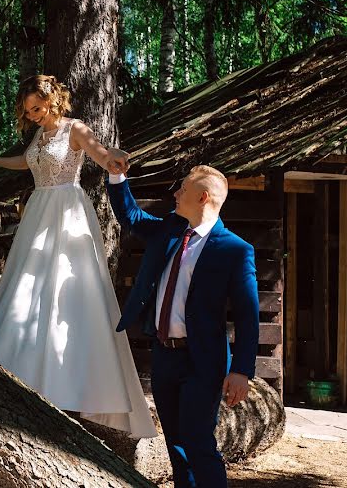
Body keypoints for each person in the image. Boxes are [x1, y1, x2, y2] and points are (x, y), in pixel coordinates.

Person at [0, 74, 157, 439]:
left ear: (54, 100)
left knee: (68, 294)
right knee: (27, 291)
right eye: (28, 111)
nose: (32, 116)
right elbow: (27, 164)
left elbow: (100, 152)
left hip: (66, 212)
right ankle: (21, 376)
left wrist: (114, 159)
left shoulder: (75, 128)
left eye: (38, 108)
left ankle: (70, 386)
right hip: (37, 214)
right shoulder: (39, 134)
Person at [106, 165, 259, 488]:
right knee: (176, 446)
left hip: (203, 361)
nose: (175, 194)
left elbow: (247, 315)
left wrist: (242, 370)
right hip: (165, 356)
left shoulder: (235, 250)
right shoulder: (171, 229)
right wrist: (117, 177)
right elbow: (131, 217)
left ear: (202, 197)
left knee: (198, 444)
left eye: (183, 189)